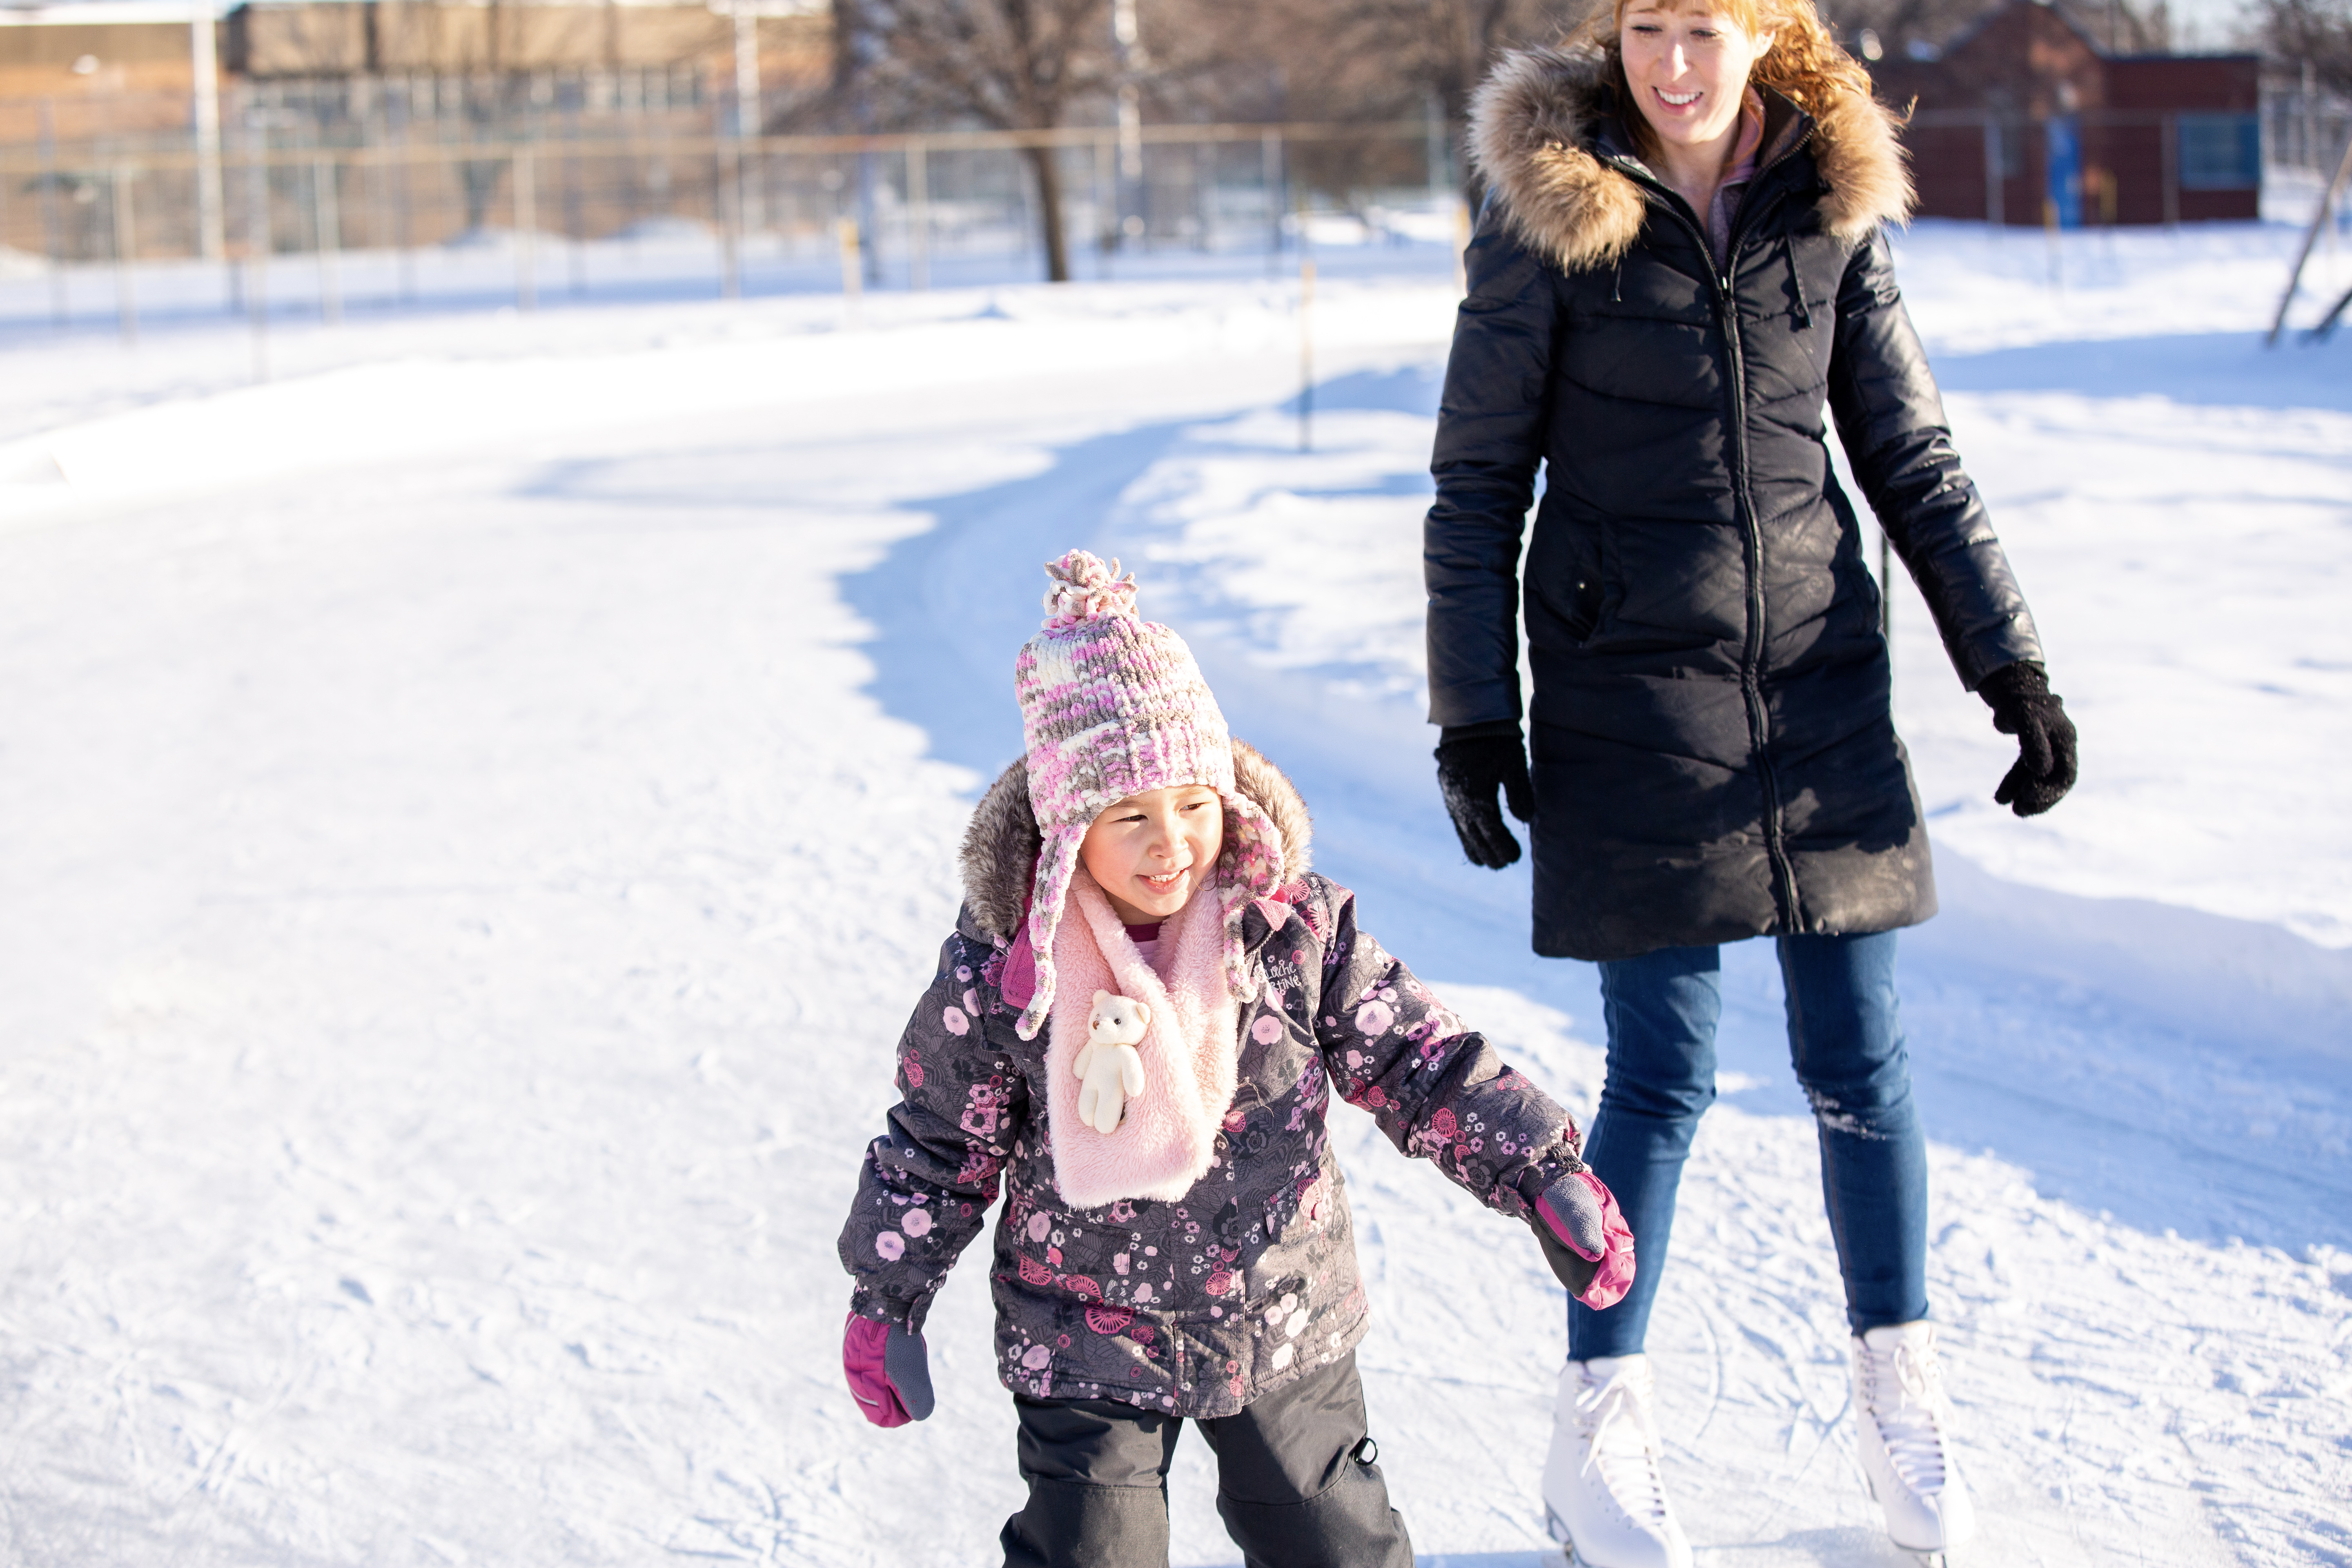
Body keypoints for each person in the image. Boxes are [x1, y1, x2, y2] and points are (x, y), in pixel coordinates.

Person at [1422, 0, 2079, 1564]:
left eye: (1704, 27)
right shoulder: (1552, 197)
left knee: (1864, 1059)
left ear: (1767, 32)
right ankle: (1600, 1431)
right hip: (1626, 691)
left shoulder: (1828, 197)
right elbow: (1476, 480)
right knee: (1666, 1073)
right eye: (1646, 25)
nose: (1672, 63)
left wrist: (2012, 666)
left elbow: (1909, 456)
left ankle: (1899, 1399)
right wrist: (1473, 713)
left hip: (1817, 693)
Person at [838, 550, 1635, 1568]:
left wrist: (1539, 1169)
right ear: (1069, 827)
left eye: (1195, 805)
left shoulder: (1288, 931)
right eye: (1130, 818)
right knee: (1093, 1554)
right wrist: (887, 1294)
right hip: (1086, 1330)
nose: (1172, 843)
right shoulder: (1014, 970)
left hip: (1278, 1308)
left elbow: (1418, 1057)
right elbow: (938, 1137)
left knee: (1332, 1544)